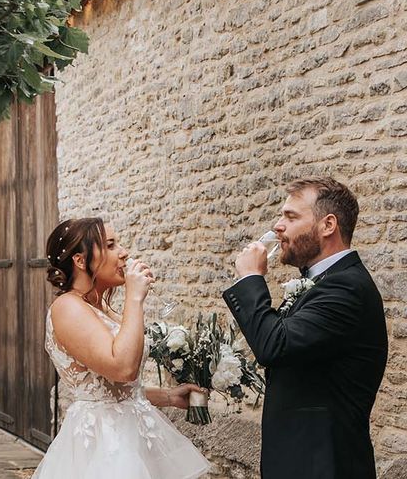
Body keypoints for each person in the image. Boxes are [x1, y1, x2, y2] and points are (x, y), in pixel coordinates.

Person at [223, 177, 388, 479]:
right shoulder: (321, 282)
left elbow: (274, 345)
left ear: (328, 225)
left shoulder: (347, 288)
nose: (277, 226)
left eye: (290, 216)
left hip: (325, 466)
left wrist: (251, 280)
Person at [32, 217, 211, 479]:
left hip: (135, 435)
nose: (124, 252)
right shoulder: (67, 308)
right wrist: (134, 298)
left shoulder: (103, 308)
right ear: (80, 261)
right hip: (105, 447)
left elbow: (112, 391)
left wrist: (169, 397)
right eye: (111, 245)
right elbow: (122, 367)